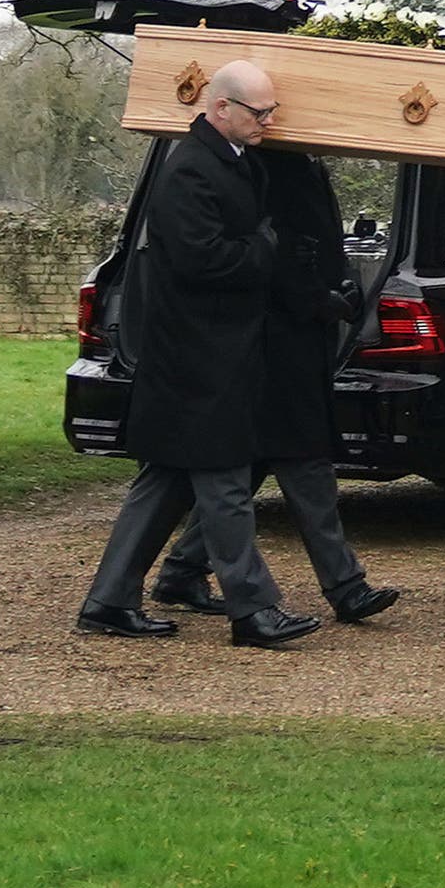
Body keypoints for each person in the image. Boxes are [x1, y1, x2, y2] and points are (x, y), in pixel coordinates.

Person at [76, 59, 320, 645]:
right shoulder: (191, 170)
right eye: (259, 112)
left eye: (271, 111)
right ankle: (254, 609)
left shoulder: (228, 163)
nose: (269, 121)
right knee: (226, 485)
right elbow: (201, 260)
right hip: (198, 358)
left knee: (163, 484)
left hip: (209, 354)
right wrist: (263, 247)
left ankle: (108, 600)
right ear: (220, 109)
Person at [149, 142, 397, 626]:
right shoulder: (268, 165)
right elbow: (275, 245)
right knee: (304, 460)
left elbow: (310, 239)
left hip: (292, 333)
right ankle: (344, 586)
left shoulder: (290, 160)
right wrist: (316, 300)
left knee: (261, 459)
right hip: (278, 335)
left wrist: (335, 284)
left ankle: (181, 569)